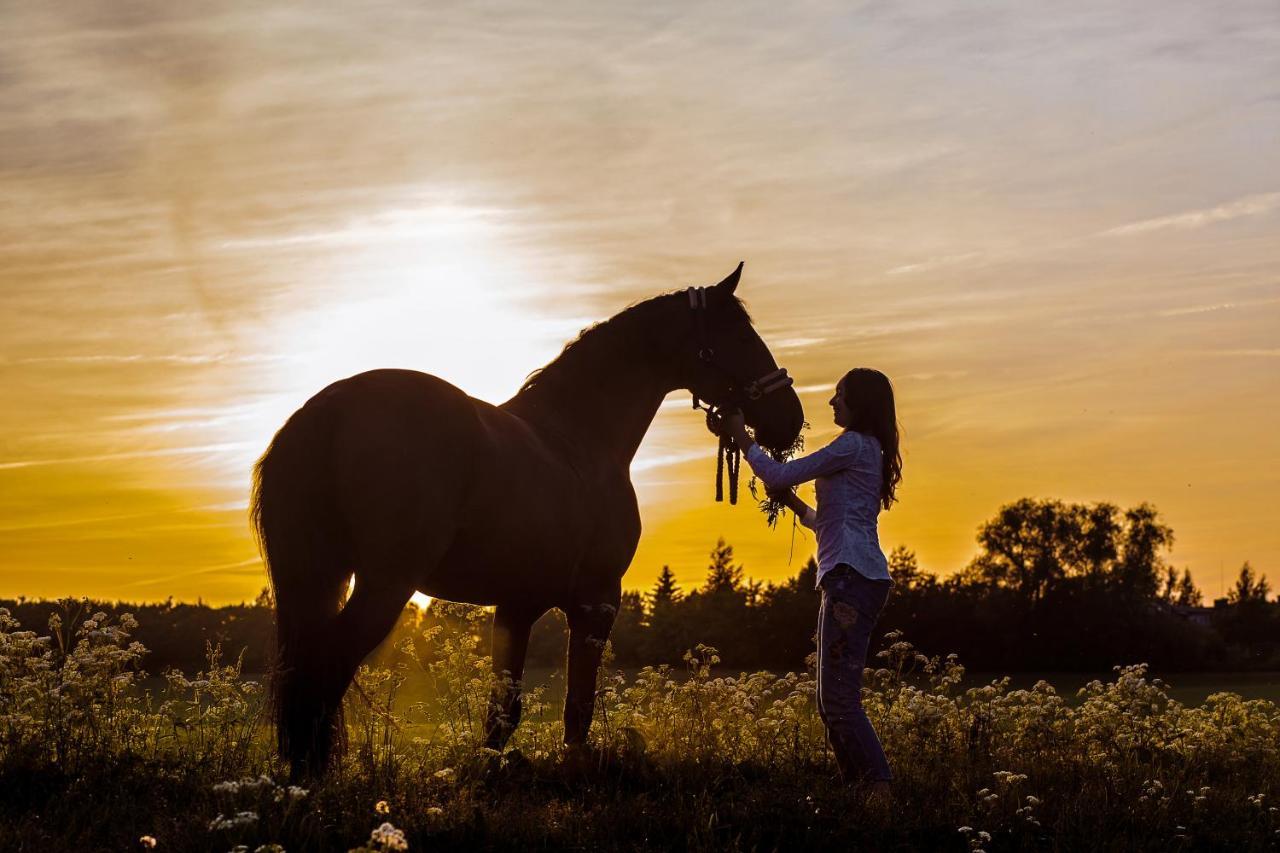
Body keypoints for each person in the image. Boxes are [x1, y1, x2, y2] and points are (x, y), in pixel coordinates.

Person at [722, 367, 902, 808]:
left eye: (839, 395)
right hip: (854, 574)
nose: (831, 402)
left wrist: (743, 440)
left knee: (838, 700)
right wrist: (794, 504)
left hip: (849, 576)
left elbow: (783, 473)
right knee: (830, 701)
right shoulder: (870, 450)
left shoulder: (853, 444)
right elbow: (829, 521)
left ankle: (879, 789)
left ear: (858, 402)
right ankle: (859, 791)